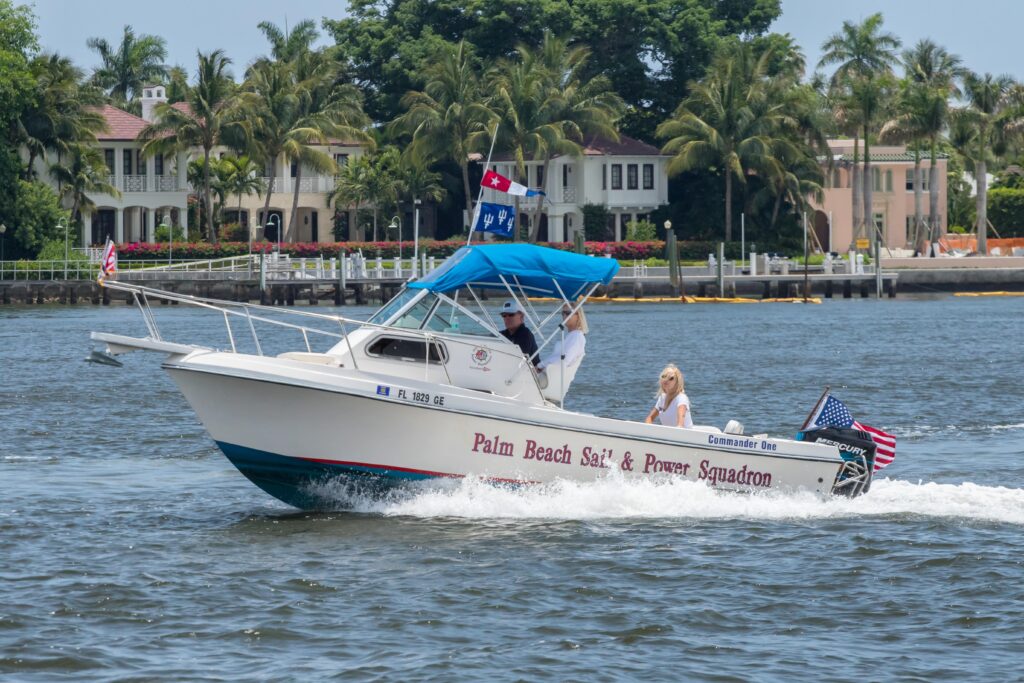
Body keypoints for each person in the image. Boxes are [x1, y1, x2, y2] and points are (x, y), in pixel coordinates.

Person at [537, 304, 588, 374]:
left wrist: (540, 366)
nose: (564, 316)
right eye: (563, 313)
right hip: (549, 373)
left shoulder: (577, 336)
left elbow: (564, 360)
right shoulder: (572, 336)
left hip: (552, 376)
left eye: (568, 313)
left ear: (578, 316)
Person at [644, 364, 694, 428]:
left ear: (677, 381)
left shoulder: (681, 399)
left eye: (671, 378)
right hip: (668, 434)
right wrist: (648, 429)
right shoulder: (662, 398)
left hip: (685, 435)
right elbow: (650, 418)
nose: (666, 380)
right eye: (664, 376)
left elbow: (680, 425)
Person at [499, 299, 539, 366]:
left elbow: (518, 362)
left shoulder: (526, 335)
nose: (507, 318)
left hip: (529, 374)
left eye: (511, 314)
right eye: (504, 315)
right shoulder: (503, 334)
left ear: (521, 316)